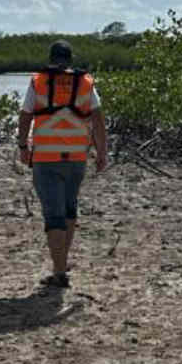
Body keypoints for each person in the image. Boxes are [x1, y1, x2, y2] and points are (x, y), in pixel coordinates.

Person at [16, 40, 108, 289]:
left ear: (51, 57)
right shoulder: (86, 83)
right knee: (69, 209)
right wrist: (102, 152)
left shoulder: (39, 81)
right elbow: (98, 120)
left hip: (46, 159)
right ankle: (61, 264)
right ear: (69, 59)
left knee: (54, 215)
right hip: (76, 159)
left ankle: (59, 272)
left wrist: (23, 147)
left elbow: (25, 116)